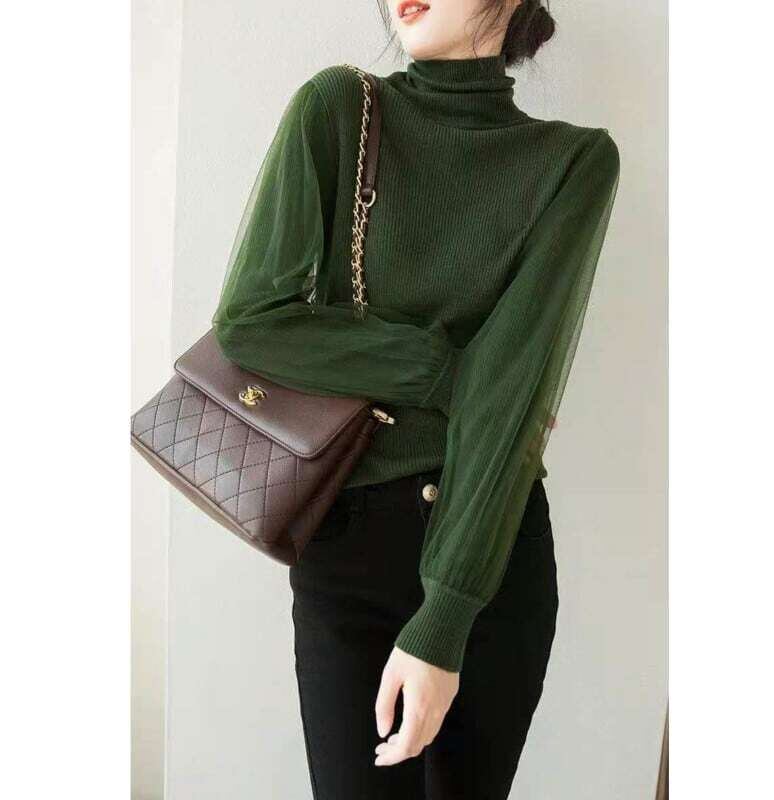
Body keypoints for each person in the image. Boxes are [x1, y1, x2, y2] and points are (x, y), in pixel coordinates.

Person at [211, 0, 620, 797]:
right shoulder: (338, 109)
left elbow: (517, 398)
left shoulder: (574, 163)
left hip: (490, 547)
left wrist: (445, 617)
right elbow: (255, 324)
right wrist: (450, 372)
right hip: (348, 546)